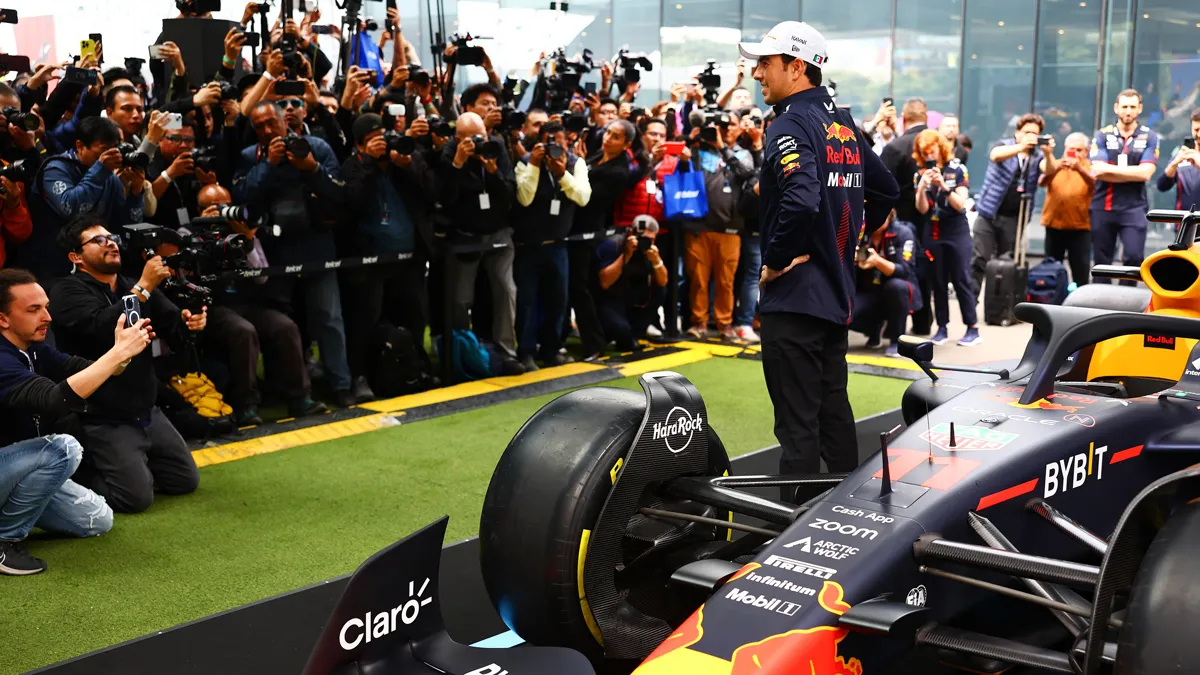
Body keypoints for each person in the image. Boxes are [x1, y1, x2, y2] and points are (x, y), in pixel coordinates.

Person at [738, 21, 900, 485]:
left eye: (764, 64)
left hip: (795, 297)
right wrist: (847, 240)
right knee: (834, 417)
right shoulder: (841, 122)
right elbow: (886, 191)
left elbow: (804, 197)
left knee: (797, 429)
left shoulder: (789, 122)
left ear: (796, 67)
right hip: (834, 294)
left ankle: (794, 538)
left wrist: (775, 259)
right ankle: (855, 527)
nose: (757, 74)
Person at [49, 216, 202, 514]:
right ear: (76, 257)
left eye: (111, 237)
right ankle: (78, 475)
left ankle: (133, 463)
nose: (111, 243)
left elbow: (174, 327)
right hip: (101, 416)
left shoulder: (130, 285)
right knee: (134, 500)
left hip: (146, 409)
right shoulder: (66, 291)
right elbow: (102, 326)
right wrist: (144, 288)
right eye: (98, 240)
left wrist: (191, 323)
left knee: (185, 481)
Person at [0, 268, 127, 575]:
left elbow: (81, 369)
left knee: (98, 518)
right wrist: (116, 357)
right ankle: (4, 541)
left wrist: (121, 353)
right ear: (3, 318)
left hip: (15, 471)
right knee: (63, 449)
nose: (47, 317)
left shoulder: (31, 347)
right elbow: (54, 400)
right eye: (33, 310)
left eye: (45, 306)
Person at [233, 101, 354, 406]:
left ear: (285, 121)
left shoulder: (315, 147)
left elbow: (341, 192)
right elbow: (242, 201)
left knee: (329, 318)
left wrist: (311, 168)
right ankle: (288, 391)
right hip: (274, 253)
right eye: (258, 126)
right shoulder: (252, 157)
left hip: (317, 246)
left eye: (271, 123)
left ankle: (341, 385)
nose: (266, 130)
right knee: (283, 325)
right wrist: (268, 166)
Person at [195, 184, 327, 425]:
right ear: (199, 210)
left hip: (247, 302)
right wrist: (202, 233)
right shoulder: (187, 233)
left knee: (284, 327)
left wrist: (248, 237)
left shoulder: (241, 230)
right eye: (212, 207)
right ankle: (246, 404)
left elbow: (261, 275)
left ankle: (300, 398)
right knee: (243, 331)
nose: (220, 212)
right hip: (213, 305)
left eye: (225, 206)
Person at [340, 113, 437, 397]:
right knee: (366, 322)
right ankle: (362, 377)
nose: (382, 145)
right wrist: (370, 163)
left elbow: (431, 193)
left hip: (408, 257)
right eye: (373, 141)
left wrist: (407, 166)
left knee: (414, 317)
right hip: (369, 261)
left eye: (383, 137)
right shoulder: (354, 166)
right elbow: (353, 205)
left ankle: (414, 371)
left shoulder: (403, 159)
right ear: (360, 145)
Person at [438, 111, 523, 374]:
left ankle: (507, 353)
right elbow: (445, 199)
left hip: (498, 232)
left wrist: (494, 172)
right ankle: (462, 354)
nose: (477, 141)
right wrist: (458, 163)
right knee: (461, 297)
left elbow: (510, 194)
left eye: (481, 136)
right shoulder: (450, 152)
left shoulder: (496, 148)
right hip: (465, 235)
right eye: (470, 138)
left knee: (506, 289)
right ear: (457, 137)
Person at [24, 117, 146, 284]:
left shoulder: (110, 178)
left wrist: (136, 193)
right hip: (50, 267)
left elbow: (125, 227)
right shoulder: (55, 169)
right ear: (80, 146)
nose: (111, 156)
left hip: (92, 267)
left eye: (114, 150)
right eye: (104, 150)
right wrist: (100, 170)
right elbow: (71, 210)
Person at [513, 121, 590, 371]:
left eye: (558, 140)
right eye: (548, 141)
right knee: (526, 302)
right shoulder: (525, 161)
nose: (554, 146)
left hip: (558, 246)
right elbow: (524, 198)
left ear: (567, 140)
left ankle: (551, 350)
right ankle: (525, 352)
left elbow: (582, 197)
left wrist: (561, 174)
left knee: (558, 301)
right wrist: (535, 165)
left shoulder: (575, 163)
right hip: (527, 246)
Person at [684, 112, 754, 341]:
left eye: (730, 124)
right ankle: (699, 322)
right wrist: (691, 140)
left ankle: (724, 324)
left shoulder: (743, 153)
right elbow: (685, 168)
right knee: (698, 279)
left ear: (739, 129)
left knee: (726, 281)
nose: (725, 128)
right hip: (700, 225)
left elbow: (746, 173)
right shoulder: (700, 150)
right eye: (721, 125)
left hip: (730, 229)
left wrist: (724, 147)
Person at [574, 119, 641, 358]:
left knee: (582, 289)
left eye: (615, 136)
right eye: (607, 132)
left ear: (626, 144)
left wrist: (576, 167)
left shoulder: (619, 172)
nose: (607, 138)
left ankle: (594, 344)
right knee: (581, 289)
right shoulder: (595, 157)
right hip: (574, 230)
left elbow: (588, 198)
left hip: (590, 233)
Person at [914, 129, 980, 346]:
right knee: (938, 280)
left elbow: (961, 204)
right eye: (924, 153)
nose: (928, 156)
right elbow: (921, 210)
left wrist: (942, 185)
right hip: (933, 230)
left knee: (961, 278)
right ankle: (941, 327)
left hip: (956, 230)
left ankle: (972, 328)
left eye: (931, 151)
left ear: (939, 148)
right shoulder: (920, 173)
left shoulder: (957, 169)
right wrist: (923, 187)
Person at [969, 114, 1047, 296]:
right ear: (1017, 132)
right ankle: (971, 305)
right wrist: (1021, 147)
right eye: (1027, 132)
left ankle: (998, 307)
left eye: (1034, 134)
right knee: (979, 259)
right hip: (988, 213)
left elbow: (1048, 170)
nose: (1030, 137)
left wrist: (1049, 154)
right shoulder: (1003, 145)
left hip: (1014, 218)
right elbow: (995, 156)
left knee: (1005, 262)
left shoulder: (1038, 155)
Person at [1089, 90, 1160, 285]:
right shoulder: (1102, 135)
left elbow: (1146, 173)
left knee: (1134, 258)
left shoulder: (1149, 136)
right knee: (1102, 262)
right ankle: (1099, 306)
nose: (1128, 111)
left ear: (1139, 109)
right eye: (1124, 107)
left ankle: (1127, 306)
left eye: (1132, 107)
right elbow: (1097, 170)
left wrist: (1110, 171)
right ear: (1116, 108)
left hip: (1134, 208)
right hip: (1103, 206)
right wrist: (1133, 173)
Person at [880, 98, 931, 333]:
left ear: (903, 118)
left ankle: (894, 325)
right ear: (926, 117)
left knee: (902, 268)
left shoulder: (895, 148)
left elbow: (881, 185)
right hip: (934, 221)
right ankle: (924, 324)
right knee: (926, 271)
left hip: (900, 220)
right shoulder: (936, 144)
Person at [849, 213, 920, 357]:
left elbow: (905, 270)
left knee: (896, 287)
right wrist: (855, 261)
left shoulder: (903, 232)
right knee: (845, 310)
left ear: (889, 214)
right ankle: (873, 331)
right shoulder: (862, 233)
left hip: (897, 290)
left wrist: (877, 262)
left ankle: (897, 340)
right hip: (869, 290)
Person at [596, 215, 668, 350]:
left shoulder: (651, 250)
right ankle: (618, 334)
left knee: (661, 290)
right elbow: (605, 282)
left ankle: (633, 335)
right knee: (620, 330)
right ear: (630, 233)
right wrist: (626, 255)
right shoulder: (613, 244)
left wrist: (657, 261)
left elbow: (663, 282)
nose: (646, 242)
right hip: (609, 298)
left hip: (633, 299)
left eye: (651, 239)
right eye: (643, 238)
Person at [1040, 132, 1096, 285]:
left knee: (1081, 270)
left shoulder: (1091, 167)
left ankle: (1080, 305)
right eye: (1071, 149)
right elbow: (1042, 182)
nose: (1075, 153)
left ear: (1086, 151)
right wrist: (1057, 167)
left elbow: (1096, 183)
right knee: (1051, 269)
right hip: (1054, 226)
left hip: (1080, 228)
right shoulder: (1056, 164)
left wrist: (1079, 169)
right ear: (1065, 148)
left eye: (1079, 150)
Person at [1157, 109, 1200, 215]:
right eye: (1196, 129)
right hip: (1184, 222)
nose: (1199, 134)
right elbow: (1162, 185)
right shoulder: (1183, 153)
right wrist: (1174, 163)